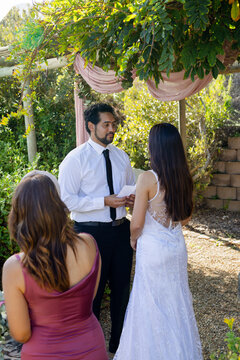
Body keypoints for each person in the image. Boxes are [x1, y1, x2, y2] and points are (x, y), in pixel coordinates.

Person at [114, 123, 203, 360]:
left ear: (156, 147)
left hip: (152, 249)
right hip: (176, 246)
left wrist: (133, 239)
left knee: (150, 303)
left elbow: (137, 224)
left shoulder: (147, 178)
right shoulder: (184, 176)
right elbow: (184, 218)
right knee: (177, 300)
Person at [2, 171, 108, 360]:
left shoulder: (15, 267)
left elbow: (21, 334)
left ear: (20, 215)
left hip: (43, 353)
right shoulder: (89, 244)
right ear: (59, 206)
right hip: (91, 347)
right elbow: (88, 298)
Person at [58, 103, 135, 355]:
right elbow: (66, 200)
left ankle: (118, 347)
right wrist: (102, 201)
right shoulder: (75, 159)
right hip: (90, 234)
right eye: (106, 124)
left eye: (113, 124)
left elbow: (131, 188)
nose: (112, 128)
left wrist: (131, 199)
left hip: (121, 231)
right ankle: (89, 348)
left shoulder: (121, 156)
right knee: (92, 292)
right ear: (91, 126)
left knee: (122, 290)